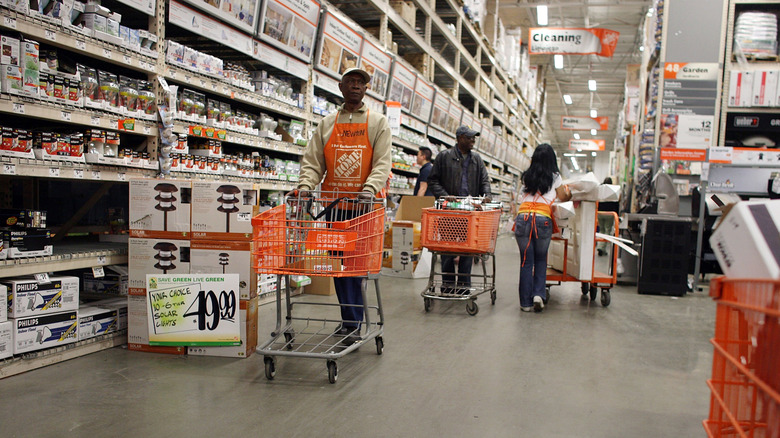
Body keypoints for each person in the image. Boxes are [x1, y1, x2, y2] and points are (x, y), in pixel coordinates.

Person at [295, 67, 392, 344]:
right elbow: (313, 162)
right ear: (341, 87)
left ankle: (353, 322)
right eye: (350, 81)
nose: (355, 86)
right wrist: (305, 186)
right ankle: (349, 320)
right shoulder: (327, 123)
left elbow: (382, 163)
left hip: (363, 208)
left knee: (356, 267)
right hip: (334, 208)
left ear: (366, 88)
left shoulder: (378, 122)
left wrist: (369, 189)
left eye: (360, 82)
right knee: (339, 267)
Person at [427, 125, 492, 295]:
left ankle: (463, 285)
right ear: (459, 138)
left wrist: (487, 195)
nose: (473, 140)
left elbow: (484, 180)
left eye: (474, 138)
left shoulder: (477, 159)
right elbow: (433, 181)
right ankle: (448, 285)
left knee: (467, 251)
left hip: (470, 212)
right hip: (449, 211)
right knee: (447, 250)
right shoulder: (444, 157)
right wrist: (446, 196)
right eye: (469, 137)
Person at [515, 143, 571, 312]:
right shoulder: (555, 177)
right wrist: (569, 193)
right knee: (541, 259)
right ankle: (538, 294)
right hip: (542, 220)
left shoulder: (526, 176)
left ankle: (525, 304)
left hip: (523, 218)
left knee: (526, 261)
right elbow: (563, 196)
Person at [597, 176, 619, 256]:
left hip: (600, 213)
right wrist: (617, 215)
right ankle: (602, 248)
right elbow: (616, 204)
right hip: (610, 214)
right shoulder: (613, 190)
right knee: (607, 231)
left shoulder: (600, 189)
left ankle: (600, 246)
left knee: (601, 230)